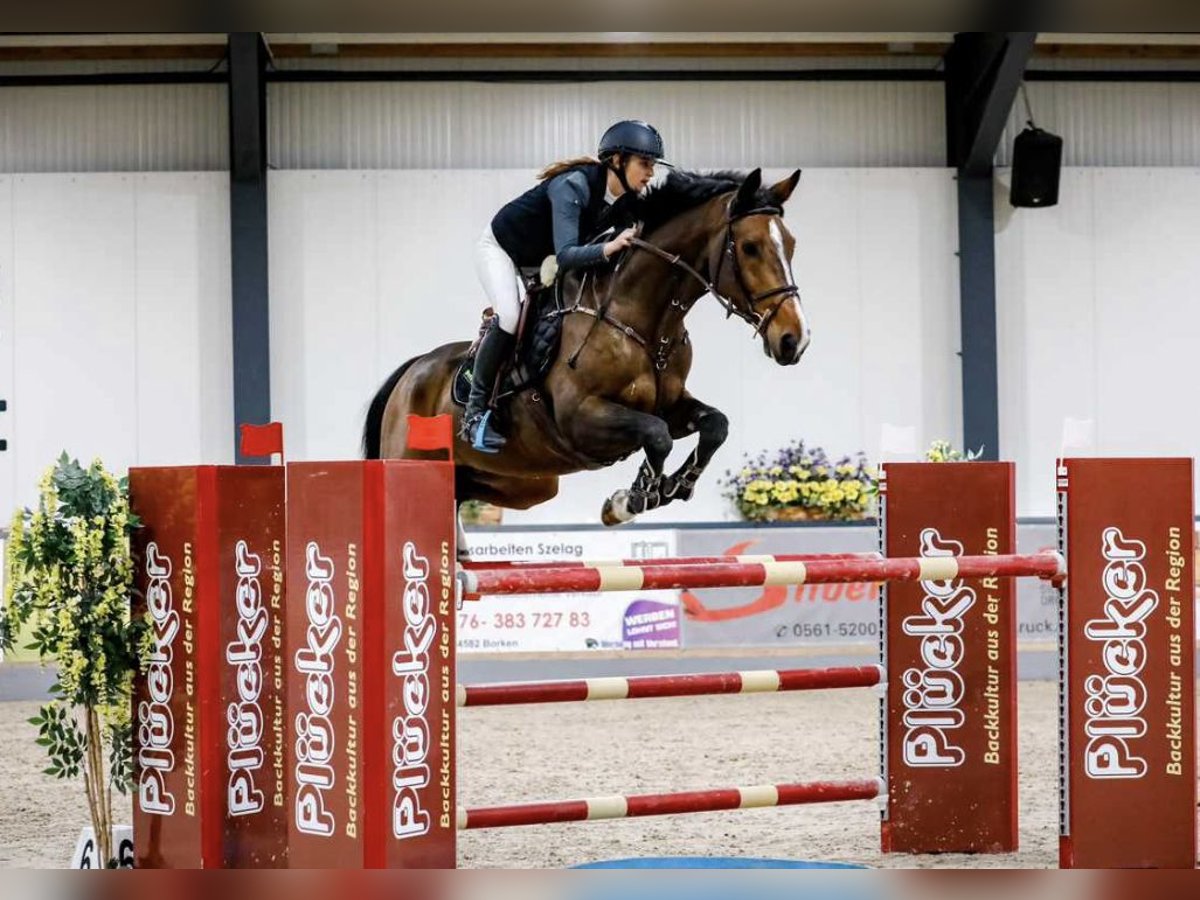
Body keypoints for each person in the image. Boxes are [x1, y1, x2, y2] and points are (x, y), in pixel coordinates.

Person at [463, 120, 669, 453]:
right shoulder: (572, 185)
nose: (651, 173)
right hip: (502, 249)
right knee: (510, 316)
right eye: (645, 163)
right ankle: (474, 414)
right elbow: (567, 255)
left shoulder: (627, 200)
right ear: (617, 160)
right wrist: (608, 247)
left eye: (653, 165)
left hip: (543, 259)